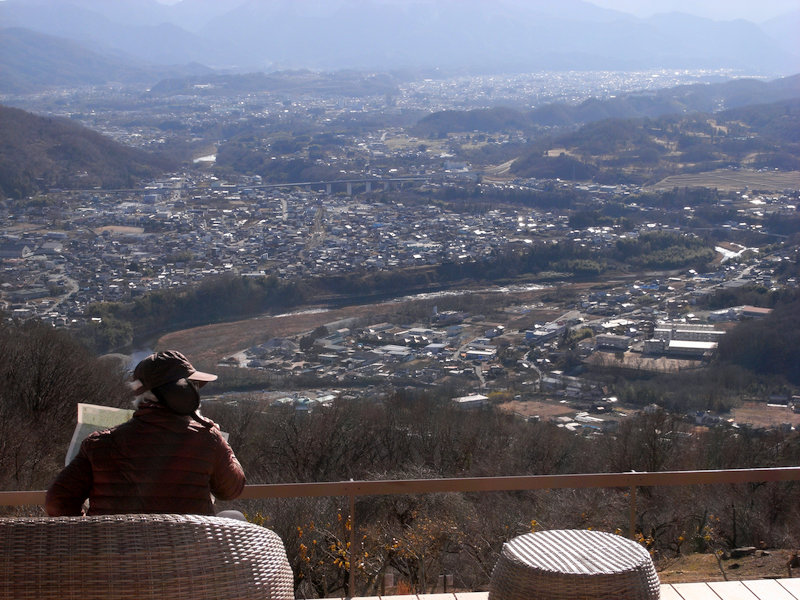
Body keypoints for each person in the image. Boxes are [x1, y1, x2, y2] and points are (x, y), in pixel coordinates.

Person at [46, 350, 246, 517]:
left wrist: (91, 532)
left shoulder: (98, 444)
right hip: (186, 560)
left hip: (114, 560)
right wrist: (219, 440)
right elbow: (231, 490)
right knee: (234, 517)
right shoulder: (206, 440)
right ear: (183, 393)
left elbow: (56, 502)